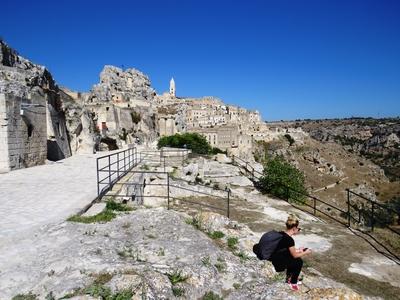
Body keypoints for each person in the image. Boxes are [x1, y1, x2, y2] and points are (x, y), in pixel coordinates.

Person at [270, 214, 312, 291]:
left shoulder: (282, 234)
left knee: (292, 258)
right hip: (278, 263)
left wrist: (299, 250)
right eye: (298, 228)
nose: (298, 230)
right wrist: (306, 252)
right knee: (299, 261)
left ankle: (289, 278)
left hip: (275, 257)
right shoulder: (289, 240)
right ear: (294, 228)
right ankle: (293, 282)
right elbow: (295, 255)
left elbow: (286, 249)